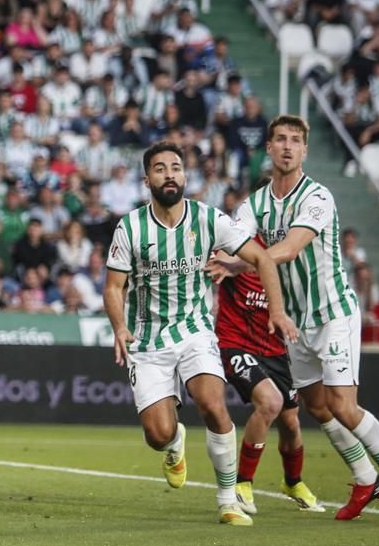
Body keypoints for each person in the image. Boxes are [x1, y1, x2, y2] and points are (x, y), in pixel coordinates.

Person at [217, 115, 379, 524]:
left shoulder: (317, 197)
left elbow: (289, 249)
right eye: (280, 139)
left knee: (343, 405)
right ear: (269, 148)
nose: (287, 146)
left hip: (333, 315)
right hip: (297, 324)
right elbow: (235, 241)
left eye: (295, 140)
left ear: (305, 150)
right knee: (317, 406)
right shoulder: (255, 204)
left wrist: (241, 262)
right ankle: (365, 480)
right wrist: (225, 257)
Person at [103, 141, 297, 526]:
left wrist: (276, 310)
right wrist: (119, 326)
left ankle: (228, 500)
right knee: (157, 435)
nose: (169, 174)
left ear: (185, 176)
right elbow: (113, 287)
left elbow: (261, 257)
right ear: (147, 180)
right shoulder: (131, 227)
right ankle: (174, 442)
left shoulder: (208, 218)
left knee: (212, 404)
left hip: (195, 330)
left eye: (176, 167)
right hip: (148, 340)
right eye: (160, 168)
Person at [212, 237, 324, 515]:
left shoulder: (288, 256)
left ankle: (293, 482)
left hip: (277, 350)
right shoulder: (238, 245)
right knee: (270, 402)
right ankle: (242, 483)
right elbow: (217, 261)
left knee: (291, 422)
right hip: (236, 343)